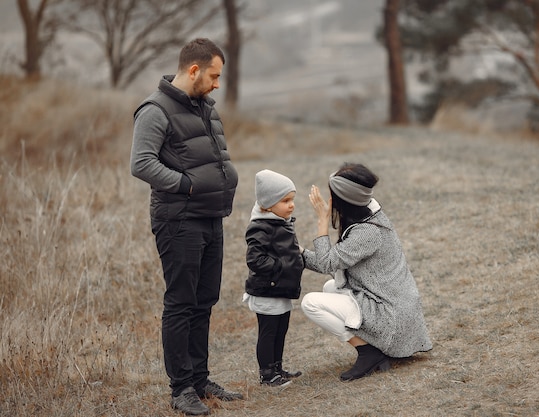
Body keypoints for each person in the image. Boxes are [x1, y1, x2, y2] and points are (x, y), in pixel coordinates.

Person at [130, 38, 242, 416]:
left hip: (211, 216)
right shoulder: (154, 109)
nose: (216, 84)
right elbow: (141, 163)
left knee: (204, 300)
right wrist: (186, 185)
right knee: (180, 302)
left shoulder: (205, 107)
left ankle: (199, 379)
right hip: (178, 220)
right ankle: (181, 390)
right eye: (213, 75)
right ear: (193, 70)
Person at [300, 162, 432, 382]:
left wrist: (322, 221)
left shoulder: (367, 233)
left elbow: (326, 264)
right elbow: (332, 263)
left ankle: (369, 353)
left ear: (343, 200)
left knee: (310, 303)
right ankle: (372, 350)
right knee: (330, 288)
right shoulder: (369, 214)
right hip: (394, 307)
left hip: (392, 318)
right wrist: (300, 254)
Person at [243, 169, 305, 388]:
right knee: (269, 333)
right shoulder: (260, 227)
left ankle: (277, 367)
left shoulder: (281, 222)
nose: (291, 205)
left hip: (280, 290)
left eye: (292, 200)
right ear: (268, 205)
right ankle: (267, 374)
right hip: (267, 291)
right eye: (285, 200)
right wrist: (280, 268)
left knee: (281, 330)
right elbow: (255, 259)